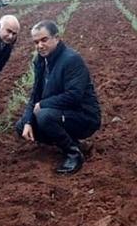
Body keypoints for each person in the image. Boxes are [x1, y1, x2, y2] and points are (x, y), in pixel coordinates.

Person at [16, 20, 101, 174]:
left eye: (44, 40)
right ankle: (75, 144)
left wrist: (43, 104)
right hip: (59, 112)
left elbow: (74, 95)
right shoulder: (41, 61)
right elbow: (35, 94)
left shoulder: (71, 60)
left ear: (56, 38)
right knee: (22, 125)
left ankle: (73, 154)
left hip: (83, 116)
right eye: (36, 42)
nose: (40, 45)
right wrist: (28, 121)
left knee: (44, 116)